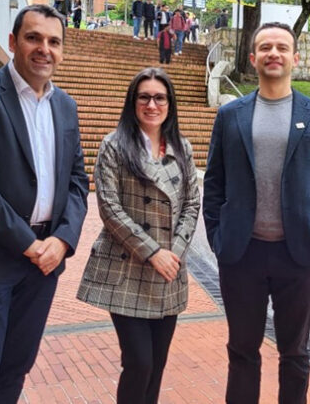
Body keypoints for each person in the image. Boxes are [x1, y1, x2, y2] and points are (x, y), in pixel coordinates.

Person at [0, 4, 90, 404]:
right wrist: (27, 242)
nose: (44, 49)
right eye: (33, 38)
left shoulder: (66, 106)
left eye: (54, 41)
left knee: (14, 372)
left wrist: (62, 240)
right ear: (12, 42)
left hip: (43, 264)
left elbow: (77, 182)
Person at [203, 22, 310, 404]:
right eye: (265, 47)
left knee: (295, 354)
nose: (273, 53)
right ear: (253, 58)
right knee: (242, 351)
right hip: (241, 253)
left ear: (295, 58)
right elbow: (214, 183)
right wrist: (218, 237)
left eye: (282, 47)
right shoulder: (231, 115)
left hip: (298, 255)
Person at [77, 67, 200, 404]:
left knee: (157, 365)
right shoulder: (114, 146)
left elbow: (192, 202)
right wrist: (153, 252)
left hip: (170, 271)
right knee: (139, 363)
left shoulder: (181, 147)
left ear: (170, 104)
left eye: (160, 97)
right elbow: (109, 209)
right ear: (132, 102)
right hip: (128, 269)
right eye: (143, 97)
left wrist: (172, 252)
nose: (151, 104)